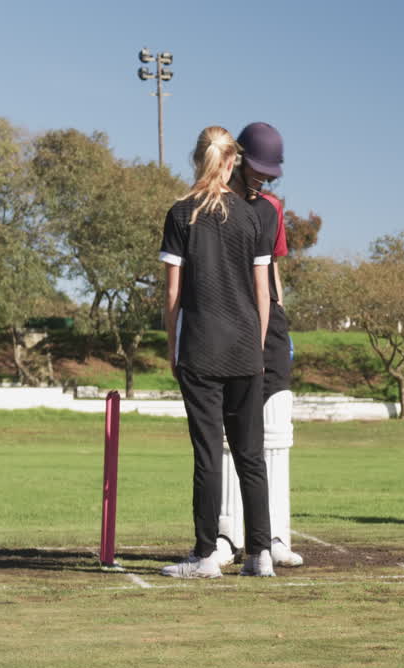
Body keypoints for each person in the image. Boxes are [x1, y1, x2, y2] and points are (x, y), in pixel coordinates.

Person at [159, 125, 275, 579]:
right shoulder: (253, 216)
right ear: (231, 163)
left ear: (197, 160)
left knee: (208, 454)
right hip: (246, 349)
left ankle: (206, 556)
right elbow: (263, 294)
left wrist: (173, 346)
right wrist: (257, 345)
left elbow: (172, 295)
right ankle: (260, 555)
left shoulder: (179, 213)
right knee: (251, 456)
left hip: (201, 350)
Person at [212, 122, 302, 568]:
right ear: (237, 157)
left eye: (271, 172)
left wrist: (281, 324)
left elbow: (272, 272)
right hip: (227, 327)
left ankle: (274, 537)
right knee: (233, 435)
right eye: (258, 168)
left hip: (269, 326)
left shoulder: (272, 208)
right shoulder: (211, 205)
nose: (263, 178)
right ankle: (227, 535)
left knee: (275, 432)